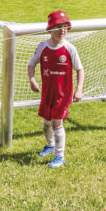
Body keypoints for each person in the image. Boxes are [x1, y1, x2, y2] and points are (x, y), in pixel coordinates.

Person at [27, 10, 85, 169]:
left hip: (62, 95)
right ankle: (50, 145)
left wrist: (79, 89)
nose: (62, 30)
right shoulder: (42, 47)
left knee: (56, 124)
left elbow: (80, 70)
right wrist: (32, 80)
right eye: (58, 27)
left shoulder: (70, 49)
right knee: (46, 124)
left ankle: (60, 156)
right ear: (50, 29)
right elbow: (31, 65)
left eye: (65, 27)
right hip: (47, 94)